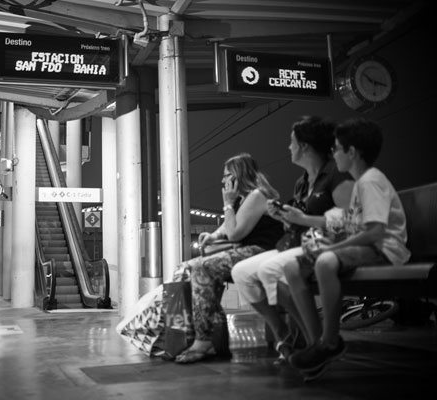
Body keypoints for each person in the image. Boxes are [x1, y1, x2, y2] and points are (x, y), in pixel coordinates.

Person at [284, 118, 410, 380]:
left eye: (337, 149)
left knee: (325, 262)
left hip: (384, 250)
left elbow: (375, 232)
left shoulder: (370, 182)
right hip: (368, 247)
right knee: (292, 267)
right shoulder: (361, 183)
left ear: (352, 152)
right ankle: (316, 340)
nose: (333, 154)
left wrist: (335, 246)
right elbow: (354, 226)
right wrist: (327, 238)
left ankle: (329, 342)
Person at [230, 116, 353, 365]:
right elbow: (298, 220)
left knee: (270, 269)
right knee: (241, 272)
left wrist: (303, 219)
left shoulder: (336, 177)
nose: (289, 147)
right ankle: (286, 336)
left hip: (327, 245)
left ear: (305, 146)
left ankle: (316, 343)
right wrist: (285, 217)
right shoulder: (302, 182)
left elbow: (349, 220)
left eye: (292, 142)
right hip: (298, 243)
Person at [173, 153, 284, 363]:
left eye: (226, 175)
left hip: (262, 251)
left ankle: (204, 339)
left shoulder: (257, 195)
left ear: (238, 175)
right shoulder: (245, 199)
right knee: (186, 267)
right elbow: (226, 228)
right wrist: (212, 235)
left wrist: (227, 204)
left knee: (203, 267)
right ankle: (212, 337)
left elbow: (234, 234)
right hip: (249, 252)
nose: (223, 181)